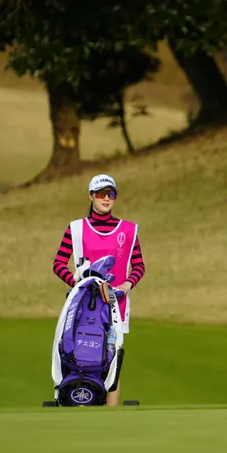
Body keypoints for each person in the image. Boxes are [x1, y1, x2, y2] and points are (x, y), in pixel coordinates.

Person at [53, 173, 146, 406]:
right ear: (91, 196)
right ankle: (75, 401)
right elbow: (59, 263)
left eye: (111, 194)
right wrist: (77, 283)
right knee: (75, 354)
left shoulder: (128, 230)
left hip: (115, 305)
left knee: (111, 359)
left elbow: (139, 266)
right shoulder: (76, 229)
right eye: (101, 194)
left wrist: (127, 284)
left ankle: (109, 415)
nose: (106, 198)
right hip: (82, 305)